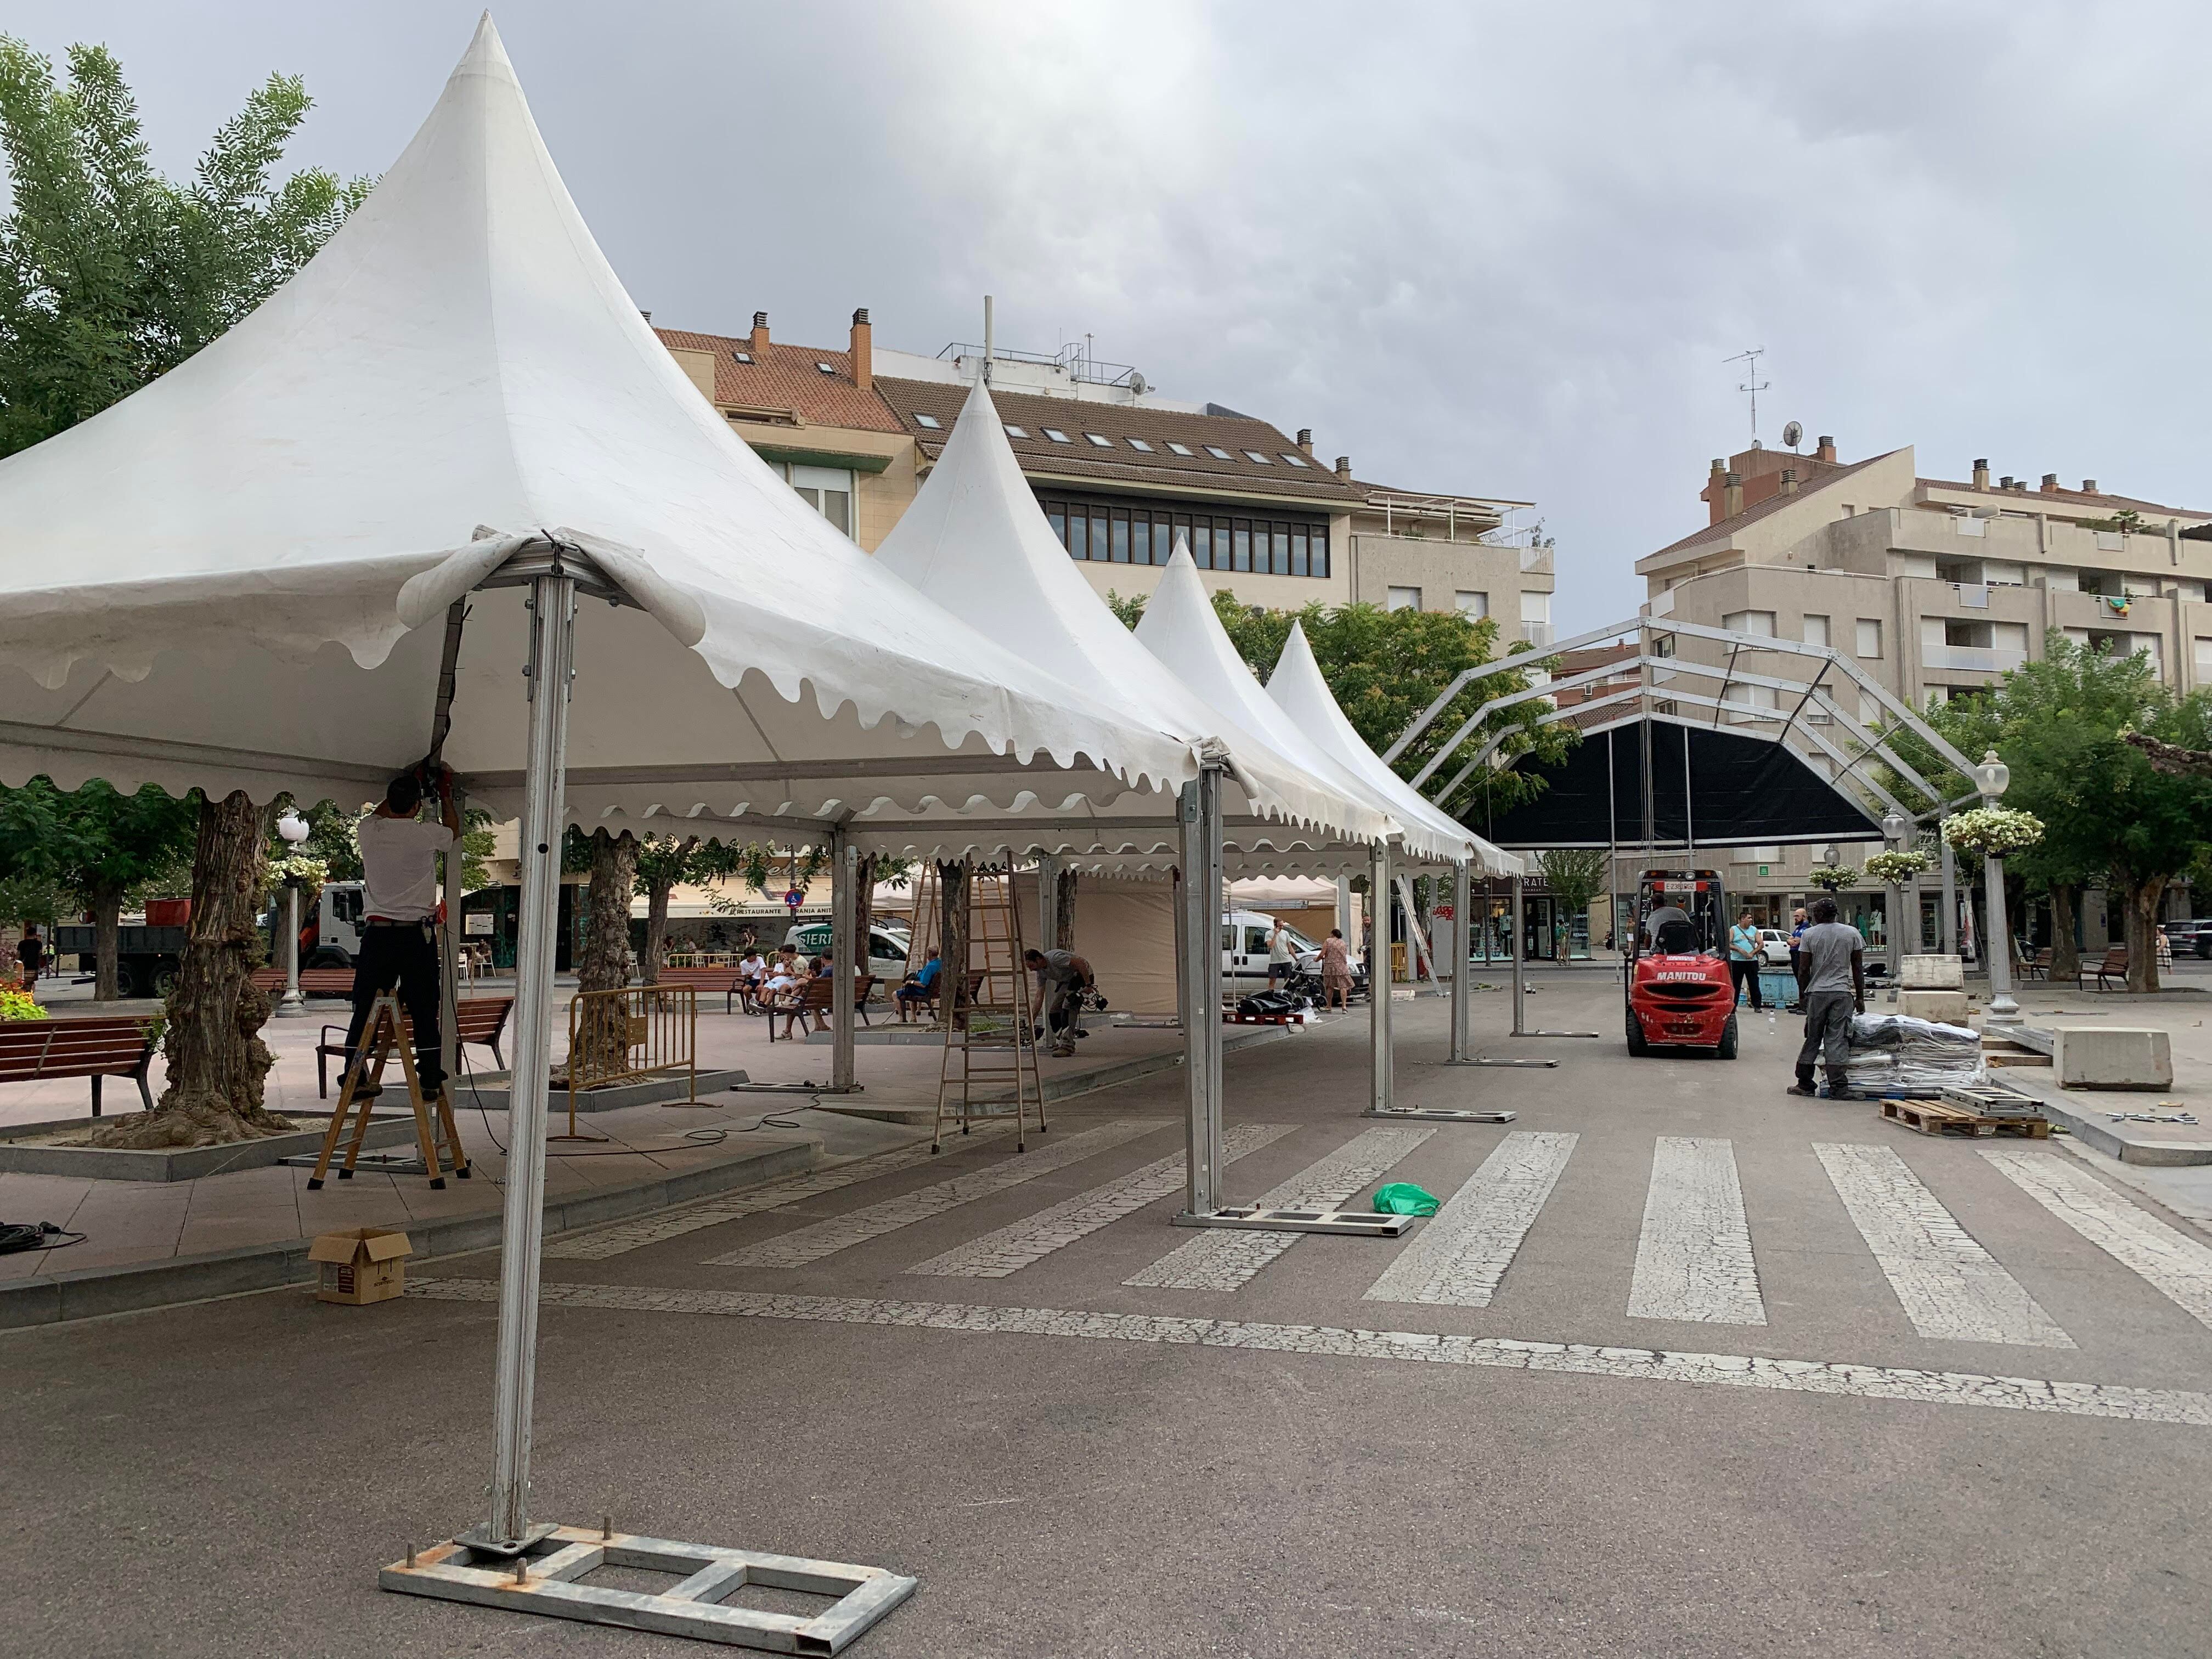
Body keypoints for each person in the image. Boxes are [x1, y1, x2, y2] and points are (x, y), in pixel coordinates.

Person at [339, 765, 461, 1099]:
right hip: (415, 935)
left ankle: (354, 1072)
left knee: (364, 1006)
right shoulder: (425, 834)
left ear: (389, 801)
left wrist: (406, 787)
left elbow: (381, 812)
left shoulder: (370, 830)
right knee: (424, 1005)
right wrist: (446, 794)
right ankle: (430, 1077)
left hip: (377, 934)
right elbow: (454, 830)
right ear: (417, 807)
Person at [1787, 897, 1865, 1100]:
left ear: (1819, 915)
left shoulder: (1809, 935)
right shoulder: (1852, 933)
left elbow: (1804, 969)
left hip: (1817, 994)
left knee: (1813, 1038)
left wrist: (1802, 996)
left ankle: (1804, 1084)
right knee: (1837, 1039)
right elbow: (1857, 968)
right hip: (1842, 994)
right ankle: (1839, 1088)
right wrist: (1860, 997)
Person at [1023, 946, 1094, 1058]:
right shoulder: (1041, 973)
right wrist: (1031, 1021)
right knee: (1054, 1012)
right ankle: (1063, 1040)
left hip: (1081, 975)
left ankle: (1067, 1046)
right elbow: (1039, 997)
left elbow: (1080, 963)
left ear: (1038, 959)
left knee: (1068, 1007)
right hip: (1067, 981)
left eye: (1031, 966)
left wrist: (1088, 985)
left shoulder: (1055, 958)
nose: (1031, 970)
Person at [1727, 910, 1764, 1011]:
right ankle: (1733, 1006)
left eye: (1751, 918)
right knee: (1736, 984)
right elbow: (1728, 944)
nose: (1751, 920)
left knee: (1754, 983)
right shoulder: (1734, 929)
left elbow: (1761, 944)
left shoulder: (1754, 930)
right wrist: (1739, 949)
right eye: (1749, 918)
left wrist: (1753, 953)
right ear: (1742, 919)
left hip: (1751, 961)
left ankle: (1757, 1006)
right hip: (1737, 961)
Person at [895, 947, 944, 1022]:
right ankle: (913, 1017)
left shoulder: (930, 967)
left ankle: (902, 1019)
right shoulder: (939, 963)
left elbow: (923, 984)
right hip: (932, 990)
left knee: (896, 994)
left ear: (930, 953)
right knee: (911, 990)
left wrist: (911, 982)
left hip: (923, 991)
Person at [1319, 927, 1353, 1009]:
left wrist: (1316, 960)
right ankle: (1344, 1006)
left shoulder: (1328, 941)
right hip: (1342, 967)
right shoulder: (1343, 943)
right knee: (1343, 986)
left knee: (1330, 986)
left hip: (1330, 967)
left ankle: (1329, 1006)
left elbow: (1322, 954)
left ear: (1332, 934)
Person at [14, 924, 43, 998]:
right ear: (35, 934)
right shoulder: (38, 944)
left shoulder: (22, 943)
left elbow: (18, 955)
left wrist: (15, 964)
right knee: (32, 983)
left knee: (23, 983)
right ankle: (30, 997)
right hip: (34, 966)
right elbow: (40, 954)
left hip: (23, 966)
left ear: (26, 934)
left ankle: (24, 996)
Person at [1267, 919, 1297, 988]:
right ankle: (1271, 994)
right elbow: (1271, 946)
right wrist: (1275, 934)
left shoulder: (1286, 933)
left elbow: (1290, 947)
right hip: (1274, 961)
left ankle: (1287, 994)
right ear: (1275, 925)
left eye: (1282, 925)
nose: (1282, 927)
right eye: (1280, 926)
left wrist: (1296, 958)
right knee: (1272, 981)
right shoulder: (1269, 934)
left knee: (1288, 981)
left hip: (1286, 960)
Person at [735, 945, 767, 1011]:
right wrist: (749, 975)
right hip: (753, 980)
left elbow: (763, 970)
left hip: (763, 979)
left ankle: (759, 1004)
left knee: (760, 990)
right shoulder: (743, 964)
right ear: (749, 957)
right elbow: (746, 976)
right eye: (754, 956)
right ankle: (753, 1002)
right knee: (745, 989)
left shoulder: (759, 959)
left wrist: (761, 984)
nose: (756, 957)